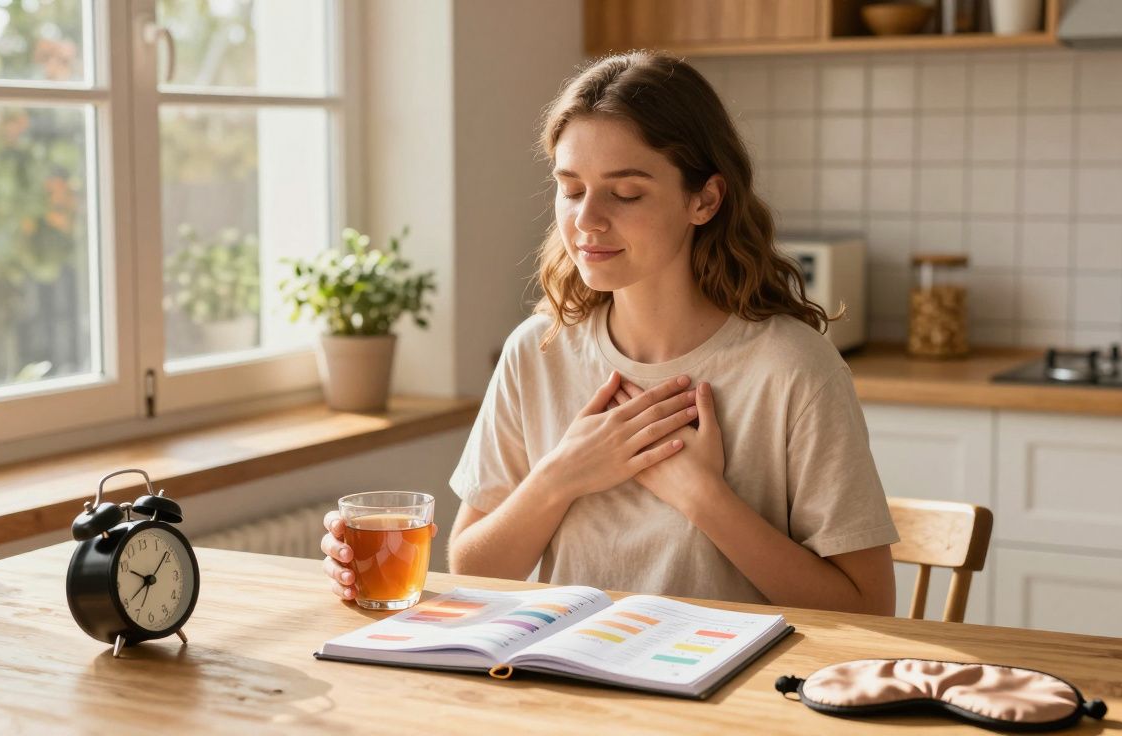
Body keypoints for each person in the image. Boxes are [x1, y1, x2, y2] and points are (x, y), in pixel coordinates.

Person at [322, 50, 898, 614]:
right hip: (564, 671)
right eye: (571, 189)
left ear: (704, 199)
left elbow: (869, 607)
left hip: (733, 677)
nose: (586, 220)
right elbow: (472, 568)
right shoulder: (537, 350)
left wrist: (704, 498)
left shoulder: (794, 369)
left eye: (626, 193)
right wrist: (562, 475)